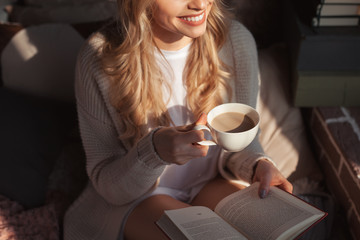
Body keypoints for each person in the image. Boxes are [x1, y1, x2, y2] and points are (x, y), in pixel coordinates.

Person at [64, 0, 293, 239]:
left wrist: (258, 164)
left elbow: (244, 140)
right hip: (138, 199)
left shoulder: (236, 41)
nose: (201, 3)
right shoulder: (98, 58)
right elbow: (109, 185)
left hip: (211, 182)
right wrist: (153, 153)